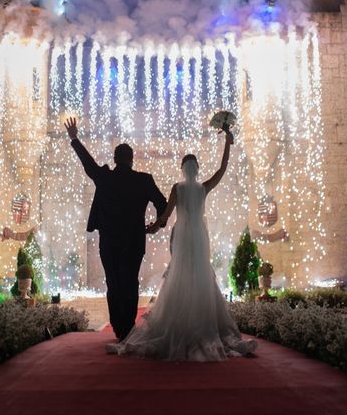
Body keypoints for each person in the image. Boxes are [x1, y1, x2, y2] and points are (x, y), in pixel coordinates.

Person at [108, 128, 257, 361]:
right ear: (196, 169)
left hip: (182, 236)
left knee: (179, 274)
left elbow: (165, 216)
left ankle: (177, 322)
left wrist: (153, 227)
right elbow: (222, 169)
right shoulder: (202, 188)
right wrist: (227, 143)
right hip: (198, 237)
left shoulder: (178, 189)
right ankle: (201, 321)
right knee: (200, 275)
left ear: (182, 168)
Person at [64, 117, 167, 341]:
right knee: (130, 281)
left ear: (115, 159)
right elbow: (164, 204)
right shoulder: (144, 180)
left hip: (109, 241)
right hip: (134, 241)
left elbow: (88, 164)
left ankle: (119, 328)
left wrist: (74, 138)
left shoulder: (105, 178)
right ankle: (128, 328)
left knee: (113, 282)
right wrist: (157, 226)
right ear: (131, 159)